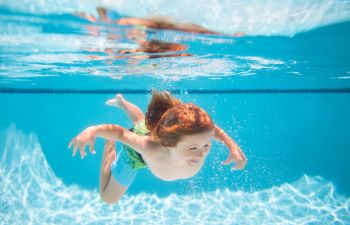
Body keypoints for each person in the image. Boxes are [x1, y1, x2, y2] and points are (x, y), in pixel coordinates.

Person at [68, 90, 247, 204]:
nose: (201, 152)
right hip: (136, 156)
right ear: (169, 143)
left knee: (141, 123)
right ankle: (109, 145)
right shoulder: (148, 147)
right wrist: (92, 131)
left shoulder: (196, 137)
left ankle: (122, 102)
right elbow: (122, 134)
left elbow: (212, 130)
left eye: (206, 144)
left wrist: (232, 146)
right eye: (193, 148)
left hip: (152, 134)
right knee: (108, 199)